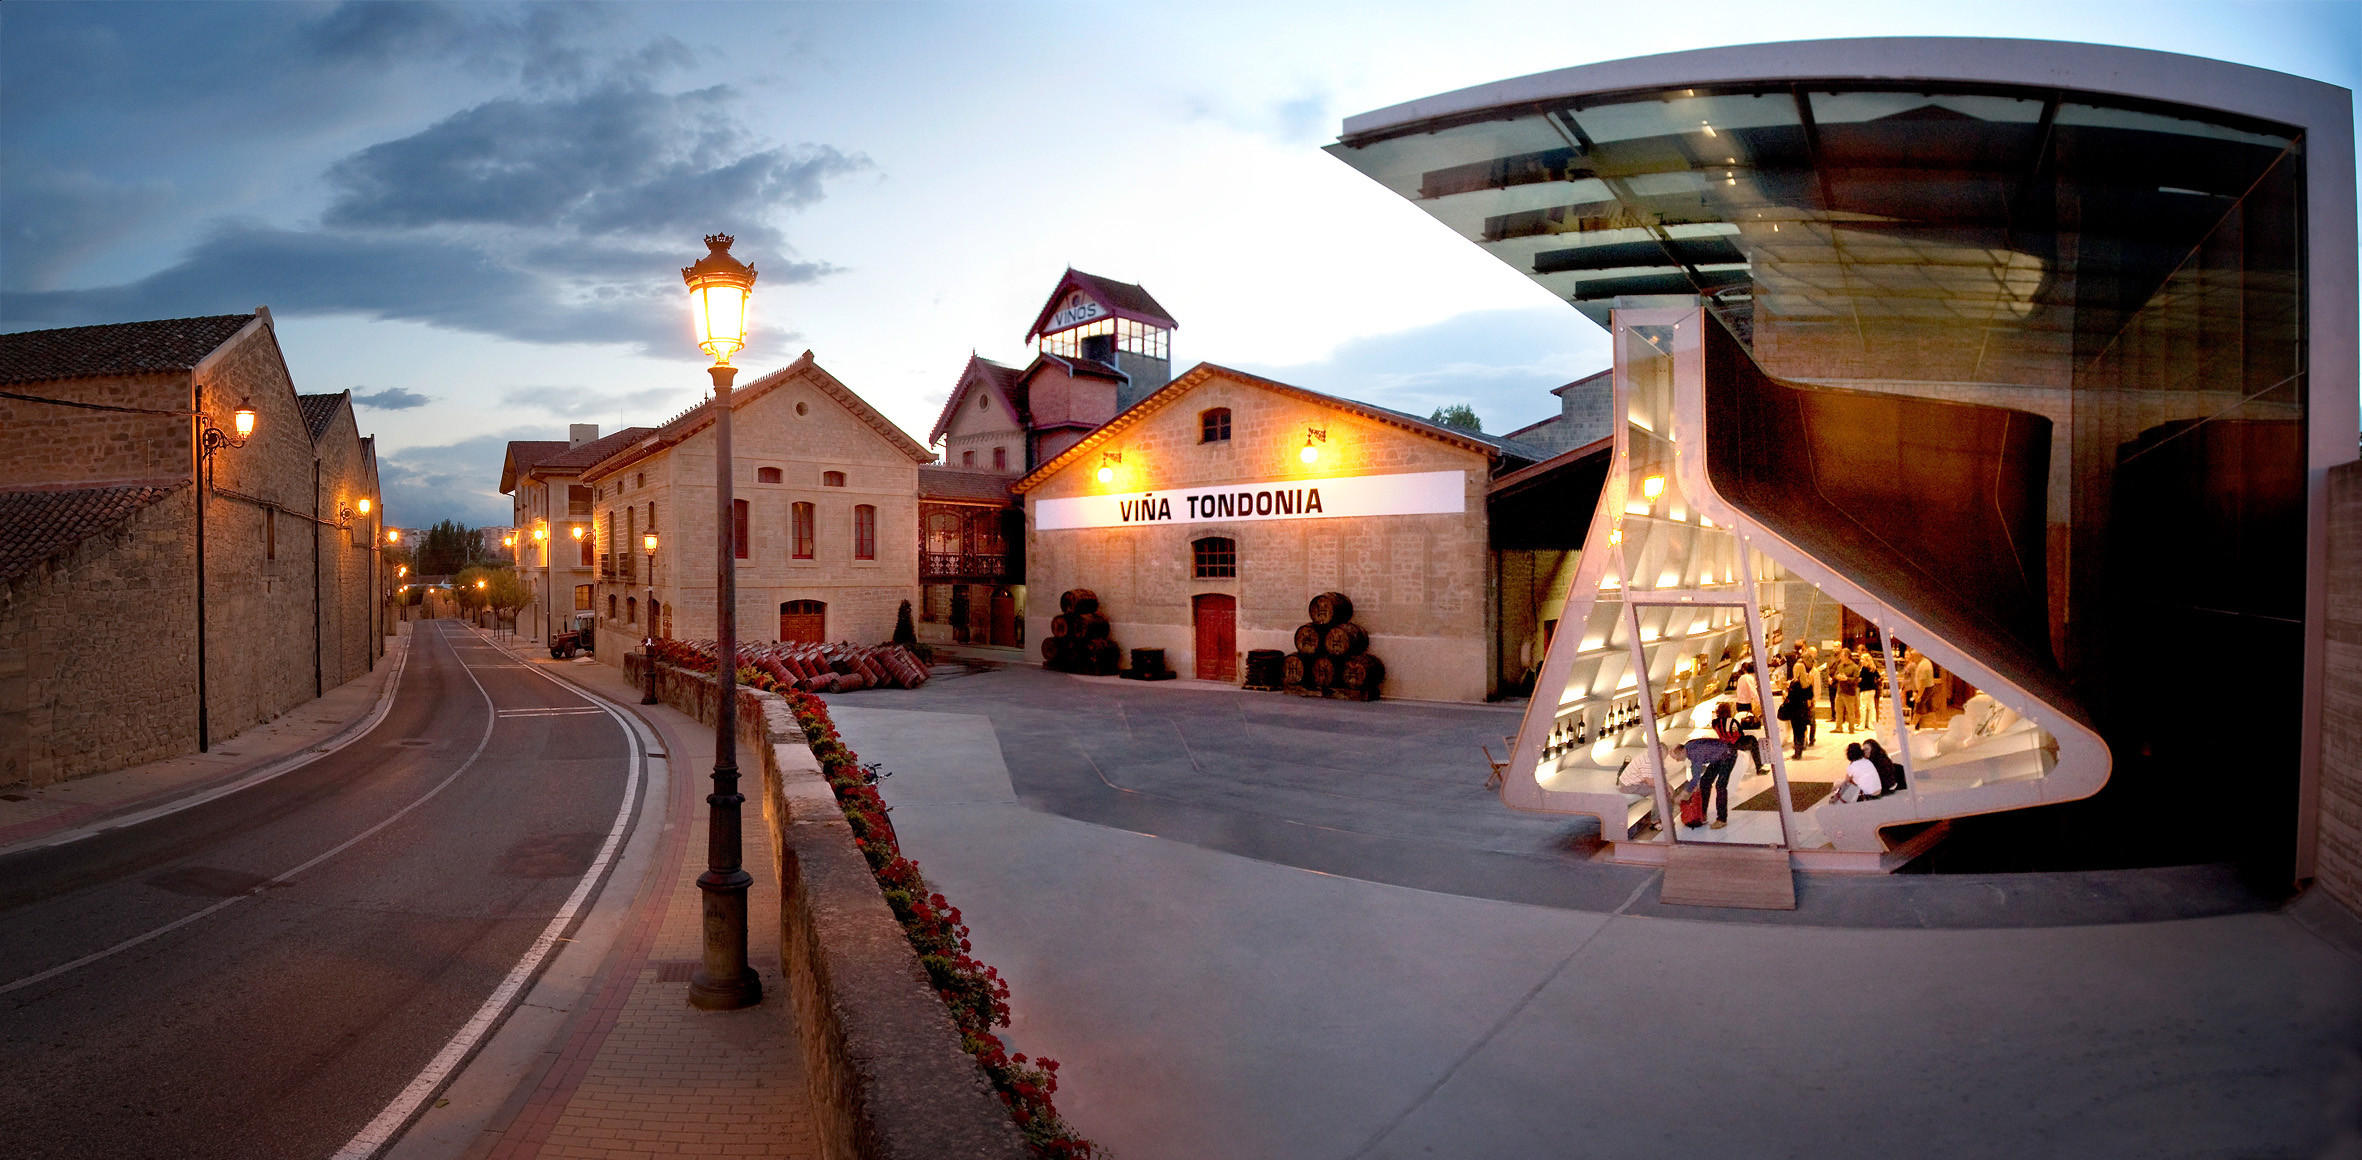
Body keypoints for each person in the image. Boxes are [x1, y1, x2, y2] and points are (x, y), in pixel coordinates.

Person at [1662, 734, 1739, 830]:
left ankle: (1722, 819)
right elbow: (1695, 769)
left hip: (1728, 753)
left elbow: (1695, 776)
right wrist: (1693, 785)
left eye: (1676, 758)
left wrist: (1683, 794)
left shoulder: (1695, 752)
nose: (1677, 761)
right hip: (1718, 756)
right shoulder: (1688, 747)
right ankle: (1702, 814)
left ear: (1681, 752)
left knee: (1720, 785)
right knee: (1705, 782)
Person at [1778, 678, 1815, 760]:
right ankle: (1799, 751)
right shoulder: (1806, 685)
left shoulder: (1795, 684)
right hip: (1802, 712)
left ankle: (1797, 752)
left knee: (1797, 733)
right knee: (1801, 732)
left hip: (1795, 713)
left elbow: (1791, 697)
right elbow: (1810, 696)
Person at [1831, 650, 1862, 733]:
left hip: (1849, 693)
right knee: (1838, 711)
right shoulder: (1840, 665)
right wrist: (1837, 677)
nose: (1840, 658)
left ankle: (1851, 728)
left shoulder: (1854, 667)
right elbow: (1835, 674)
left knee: (1850, 712)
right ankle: (1838, 728)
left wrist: (1846, 679)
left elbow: (1856, 680)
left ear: (1847, 656)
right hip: (1840, 691)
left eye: (1842, 656)